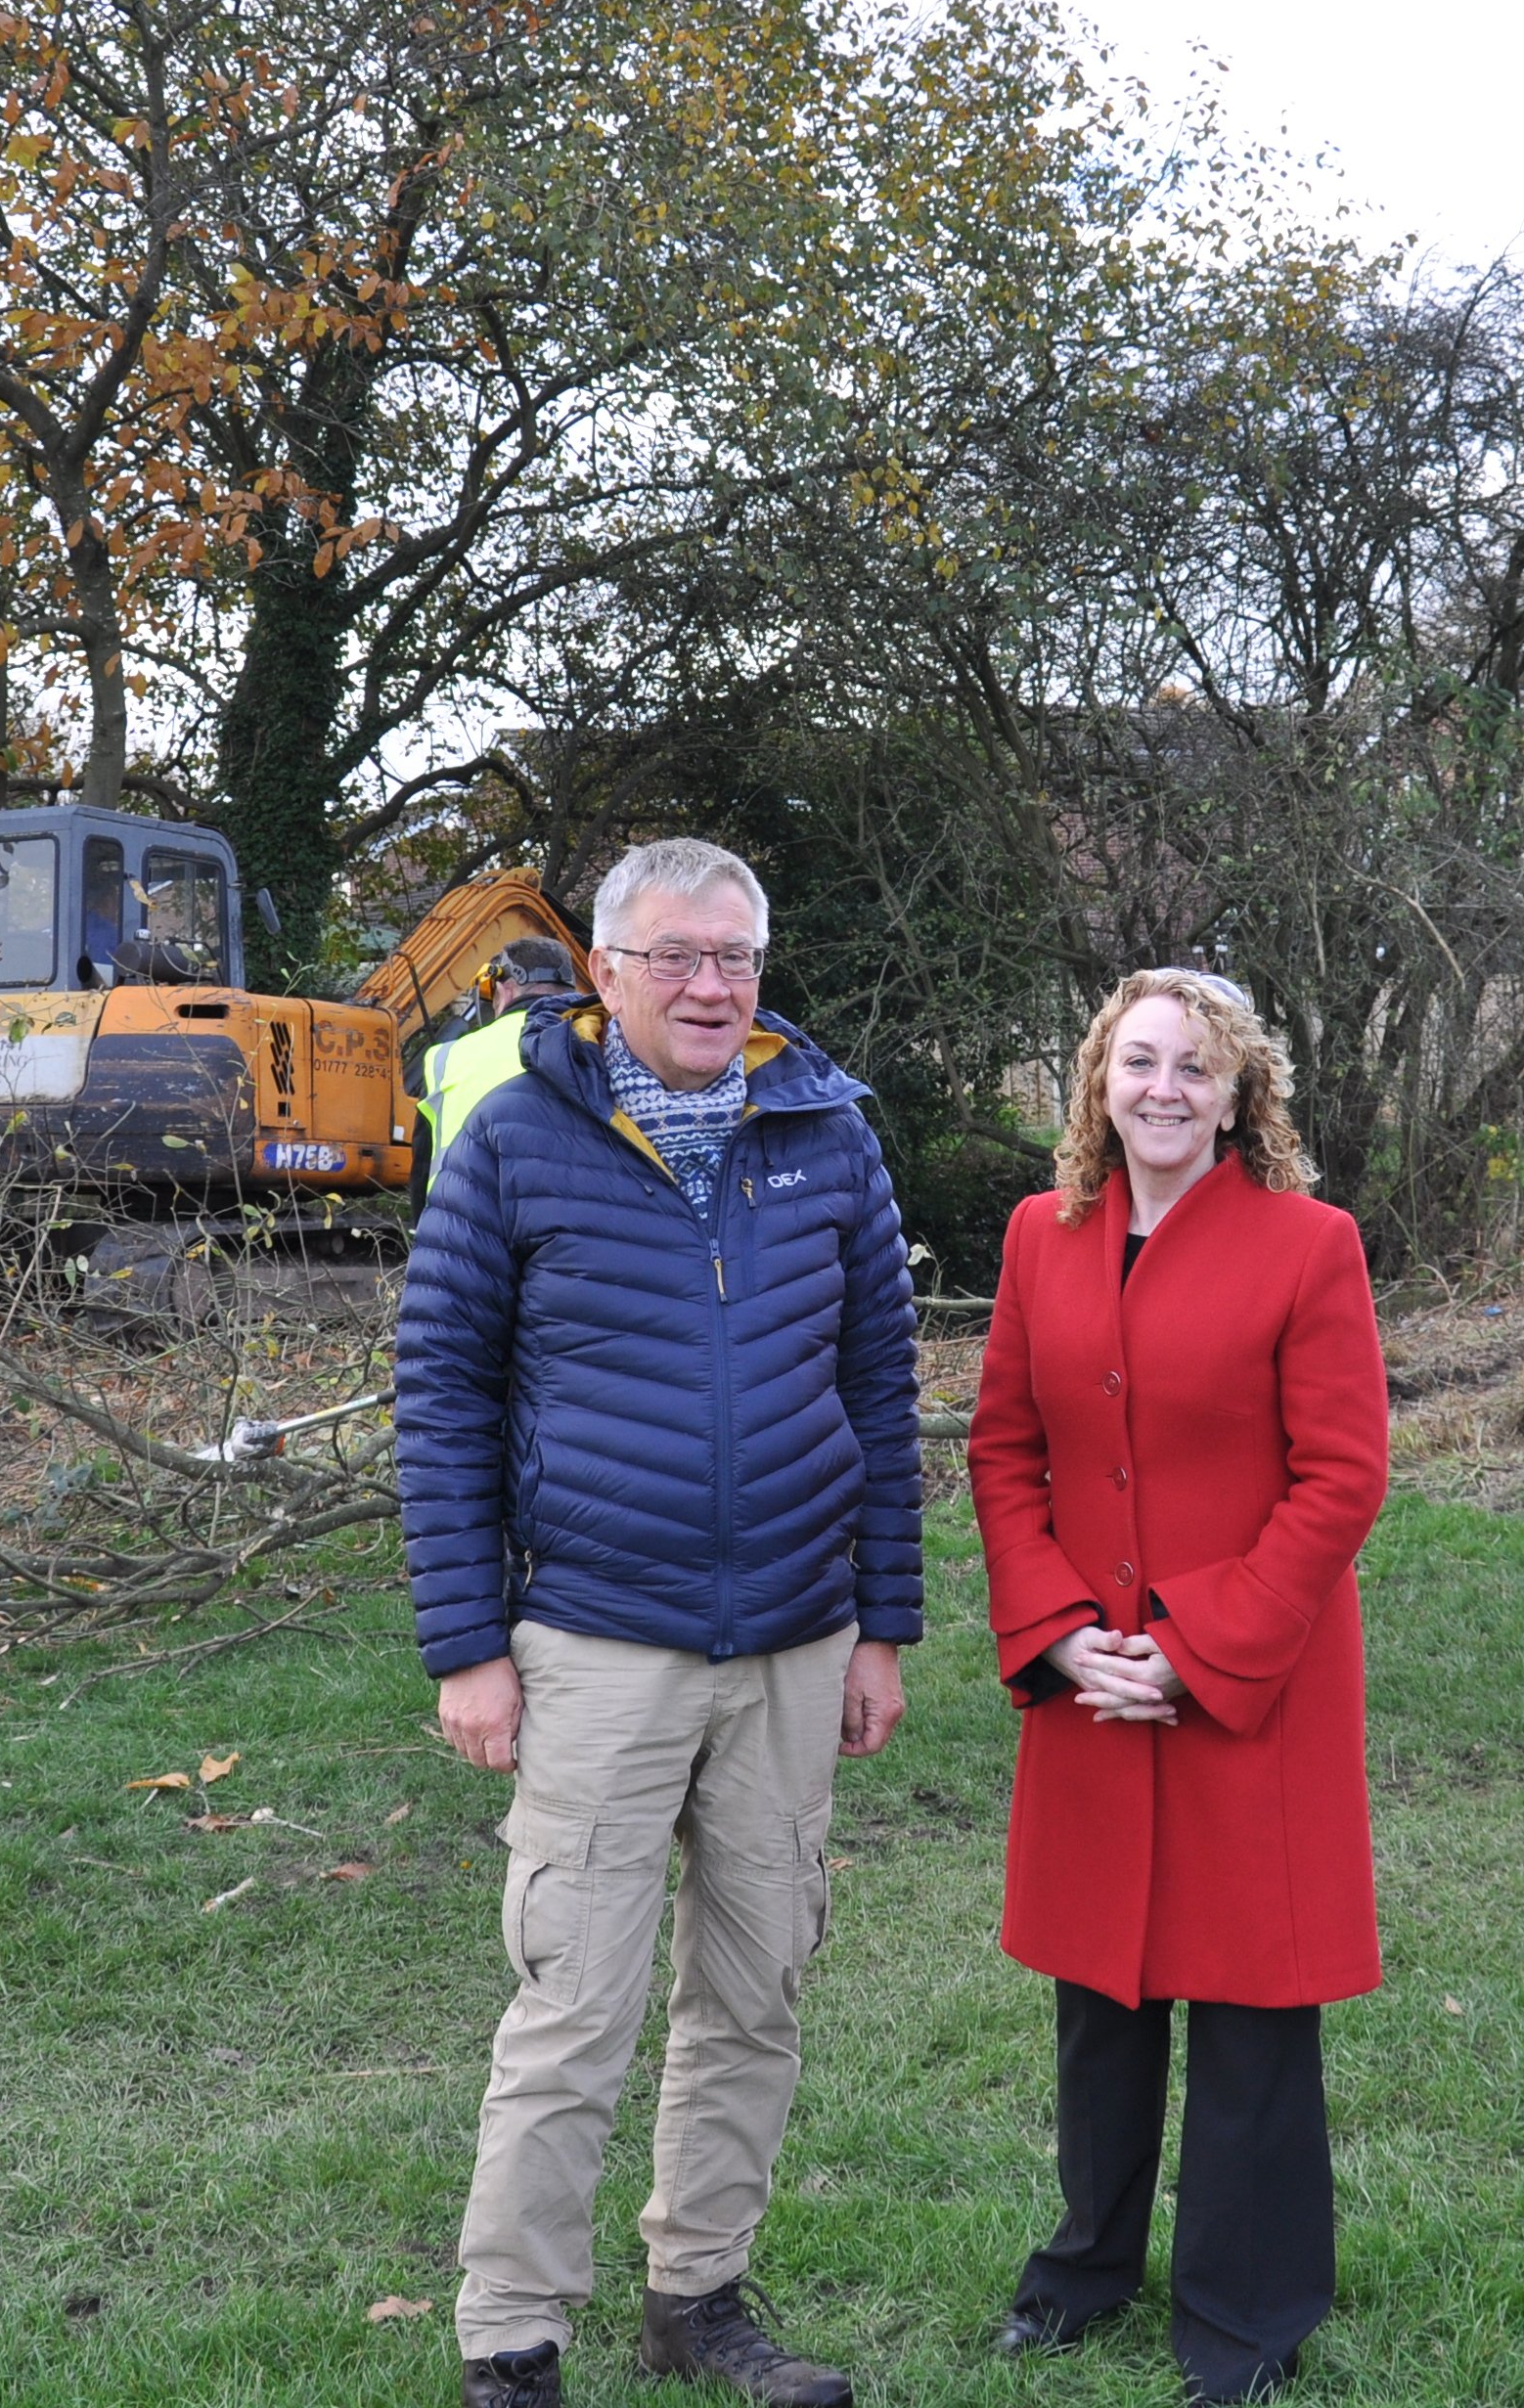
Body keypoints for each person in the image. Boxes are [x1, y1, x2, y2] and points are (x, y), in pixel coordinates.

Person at [398, 839, 924, 2408]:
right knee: (575, 2004)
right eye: (677, 958)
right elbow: (440, 1401)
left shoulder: (829, 1138)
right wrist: (466, 1647)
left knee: (754, 1995)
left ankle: (698, 2295)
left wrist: (882, 1624)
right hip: (595, 1642)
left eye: (737, 958)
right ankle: (513, 2339)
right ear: (608, 973)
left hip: (792, 1640)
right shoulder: (512, 1140)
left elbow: (882, 1398)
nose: (711, 987)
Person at [964, 968, 1389, 2406]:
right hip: (1090, 1684)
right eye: (1137, 1062)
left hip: (1250, 1691)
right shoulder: (1041, 1237)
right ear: (1097, 1081)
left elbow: (1343, 1480)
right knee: (1102, 1995)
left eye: (1193, 1069)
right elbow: (1004, 1451)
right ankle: (1085, 2267)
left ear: (1238, 1092)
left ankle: (1247, 2313)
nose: (1162, 1089)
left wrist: (1196, 1651)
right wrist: (1061, 1631)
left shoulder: (1308, 1244)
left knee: (1255, 2009)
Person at [417, 934, 587, 1165]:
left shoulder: (445, 1060)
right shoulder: (602, 1042)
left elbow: (423, 1165)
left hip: (461, 1199)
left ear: (505, 990)